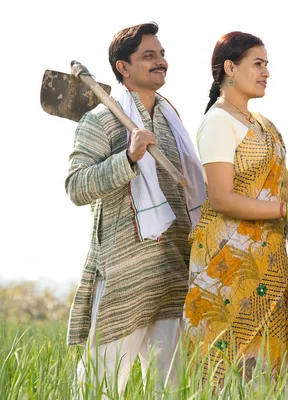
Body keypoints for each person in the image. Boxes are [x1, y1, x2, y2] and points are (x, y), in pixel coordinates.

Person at [183, 31, 288, 385]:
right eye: (258, 64)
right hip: (226, 271)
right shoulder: (218, 121)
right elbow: (221, 197)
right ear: (230, 68)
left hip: (270, 269)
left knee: (275, 380)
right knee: (229, 380)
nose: (266, 72)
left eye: (267, 65)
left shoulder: (265, 126)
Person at [65, 22, 205, 396]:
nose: (161, 62)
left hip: (174, 272)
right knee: (100, 386)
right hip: (125, 274)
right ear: (123, 67)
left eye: (161, 55)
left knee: (176, 388)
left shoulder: (173, 123)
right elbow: (75, 187)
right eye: (149, 56)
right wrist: (128, 156)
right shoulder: (101, 120)